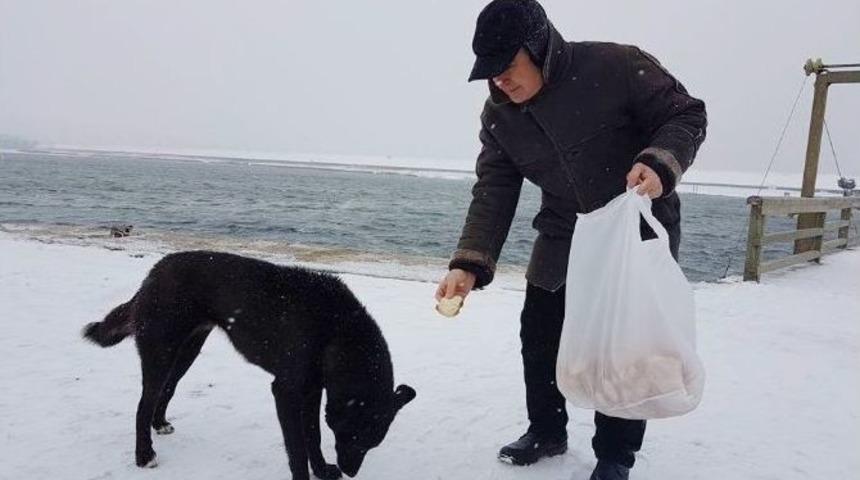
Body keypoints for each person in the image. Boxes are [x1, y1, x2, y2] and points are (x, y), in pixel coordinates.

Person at [435, 1, 707, 479]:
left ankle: (615, 456)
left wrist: (661, 161)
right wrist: (469, 263)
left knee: (624, 348)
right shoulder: (500, 113)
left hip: (633, 226)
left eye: (507, 68)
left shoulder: (617, 65)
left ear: (538, 46)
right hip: (564, 231)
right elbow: (494, 189)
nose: (501, 81)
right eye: (491, 74)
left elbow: (686, 115)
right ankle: (547, 429)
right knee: (539, 334)